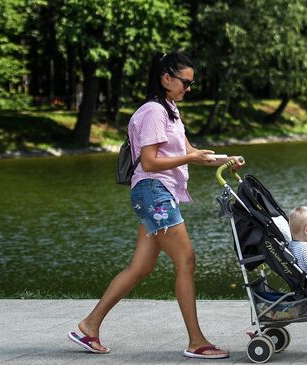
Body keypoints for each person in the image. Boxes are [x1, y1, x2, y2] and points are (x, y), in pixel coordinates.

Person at [68, 52, 243, 359]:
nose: (188, 88)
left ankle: (90, 325)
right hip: (154, 192)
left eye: (191, 83)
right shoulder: (152, 112)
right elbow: (150, 163)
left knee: (141, 266)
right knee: (186, 260)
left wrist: (226, 159)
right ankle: (196, 341)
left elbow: (193, 152)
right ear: (166, 79)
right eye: (185, 82)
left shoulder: (170, 110)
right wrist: (190, 158)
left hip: (156, 194)